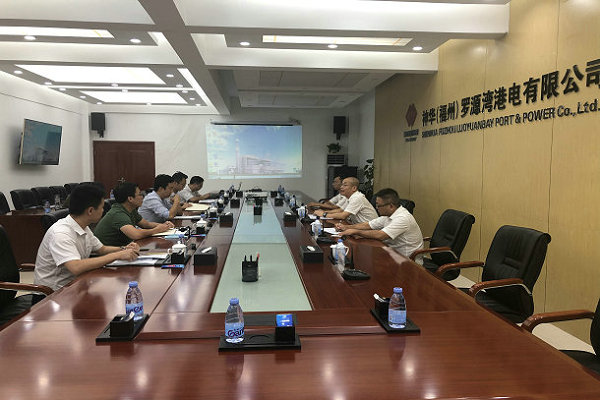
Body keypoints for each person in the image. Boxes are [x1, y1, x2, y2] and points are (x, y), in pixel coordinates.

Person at [34, 183, 140, 291]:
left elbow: (102, 249)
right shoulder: (61, 233)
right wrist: (117, 255)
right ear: (90, 211)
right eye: (102, 207)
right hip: (53, 294)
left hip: (76, 285)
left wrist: (124, 249)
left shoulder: (83, 226)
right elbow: (76, 267)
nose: (103, 211)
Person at [335, 188, 423, 258]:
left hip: (406, 260)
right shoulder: (388, 214)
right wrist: (346, 227)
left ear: (391, 206)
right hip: (390, 252)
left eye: (379, 205)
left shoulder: (402, 218)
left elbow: (380, 235)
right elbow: (368, 225)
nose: (376, 207)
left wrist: (357, 232)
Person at [94, 182, 174, 247]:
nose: (142, 197)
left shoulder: (130, 209)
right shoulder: (118, 213)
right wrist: (156, 230)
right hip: (108, 254)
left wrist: (163, 225)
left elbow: (146, 224)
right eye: (139, 194)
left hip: (123, 249)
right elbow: (135, 234)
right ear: (130, 199)